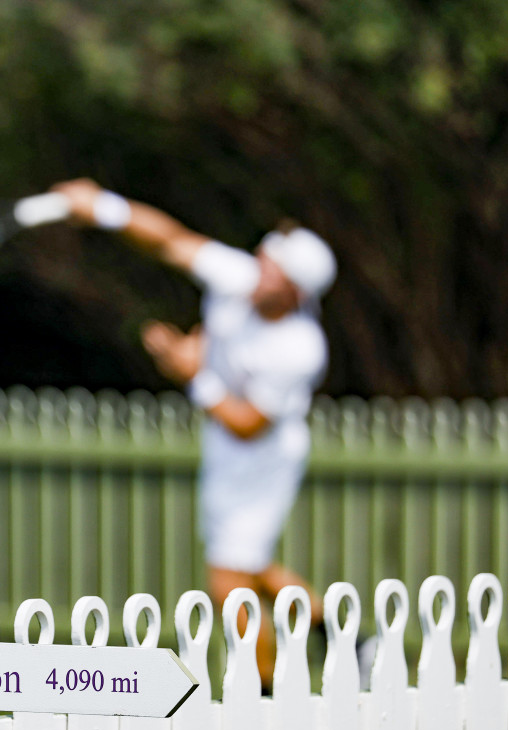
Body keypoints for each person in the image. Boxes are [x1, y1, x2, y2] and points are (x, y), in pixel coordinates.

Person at [52, 178, 335, 685]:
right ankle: (345, 635)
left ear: (295, 290)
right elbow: (169, 240)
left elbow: (248, 425)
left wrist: (192, 374)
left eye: (275, 268)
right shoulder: (239, 277)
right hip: (226, 448)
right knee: (252, 565)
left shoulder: (299, 347)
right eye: (265, 256)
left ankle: (265, 697)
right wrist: (103, 208)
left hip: (263, 459)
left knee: (229, 582)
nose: (261, 268)